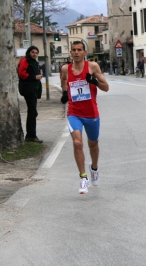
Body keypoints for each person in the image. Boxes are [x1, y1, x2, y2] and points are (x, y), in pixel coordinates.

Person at [60, 41, 109, 194]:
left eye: (79, 50)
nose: (76, 52)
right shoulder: (65, 69)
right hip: (74, 113)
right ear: (70, 53)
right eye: (73, 50)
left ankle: (94, 168)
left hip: (91, 113)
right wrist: (64, 94)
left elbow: (106, 87)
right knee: (77, 142)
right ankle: (83, 178)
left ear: (84, 52)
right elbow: (63, 83)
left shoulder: (92, 67)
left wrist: (94, 81)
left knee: (93, 145)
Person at [17, 46, 43, 143]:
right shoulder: (25, 61)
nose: (34, 54)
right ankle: (31, 136)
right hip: (28, 89)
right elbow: (22, 74)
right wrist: (35, 77)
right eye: (33, 52)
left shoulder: (33, 62)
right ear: (29, 52)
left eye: (36, 52)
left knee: (33, 112)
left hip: (33, 90)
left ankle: (30, 135)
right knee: (32, 112)